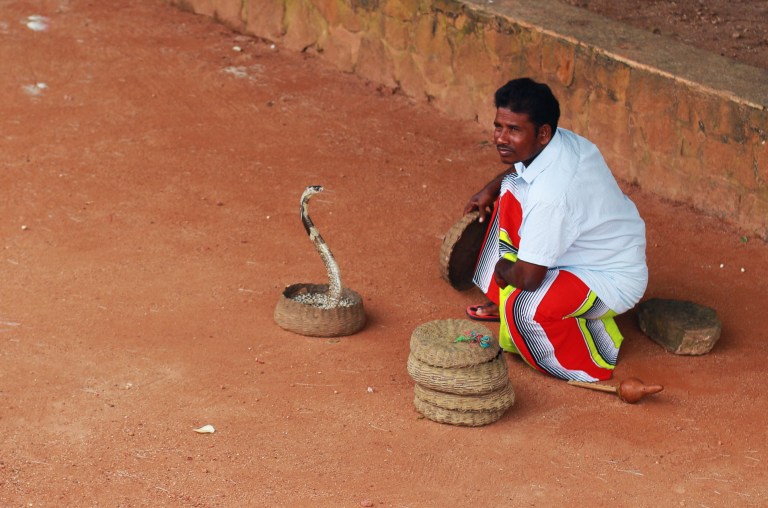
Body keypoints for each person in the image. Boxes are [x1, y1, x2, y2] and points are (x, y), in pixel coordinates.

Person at [463, 78, 648, 382]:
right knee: (509, 189)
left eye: (514, 130)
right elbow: (521, 168)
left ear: (543, 133)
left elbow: (528, 278)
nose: (501, 138)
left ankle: (596, 342)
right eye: (499, 126)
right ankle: (503, 301)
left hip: (609, 276)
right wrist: (489, 189)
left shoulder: (552, 196)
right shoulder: (558, 143)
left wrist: (502, 268)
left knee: (523, 310)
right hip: (581, 247)